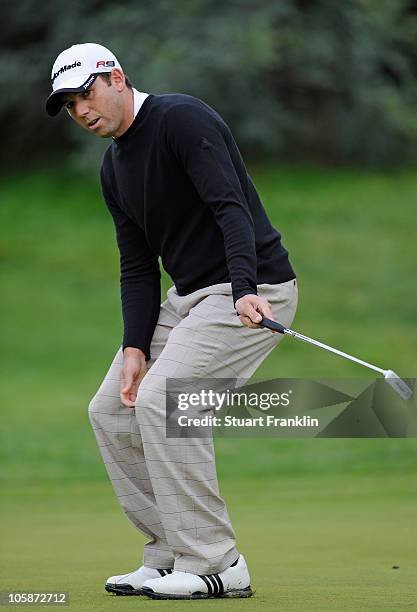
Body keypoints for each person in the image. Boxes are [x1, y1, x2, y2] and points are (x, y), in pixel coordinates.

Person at [46, 42, 298, 600]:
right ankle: (166, 555)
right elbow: (137, 265)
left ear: (116, 78)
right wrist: (135, 346)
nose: (82, 111)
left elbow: (229, 204)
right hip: (188, 299)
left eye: (86, 93)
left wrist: (245, 287)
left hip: (252, 289)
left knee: (166, 399)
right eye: (69, 105)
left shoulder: (181, 118)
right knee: (112, 408)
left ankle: (217, 562)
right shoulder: (114, 167)